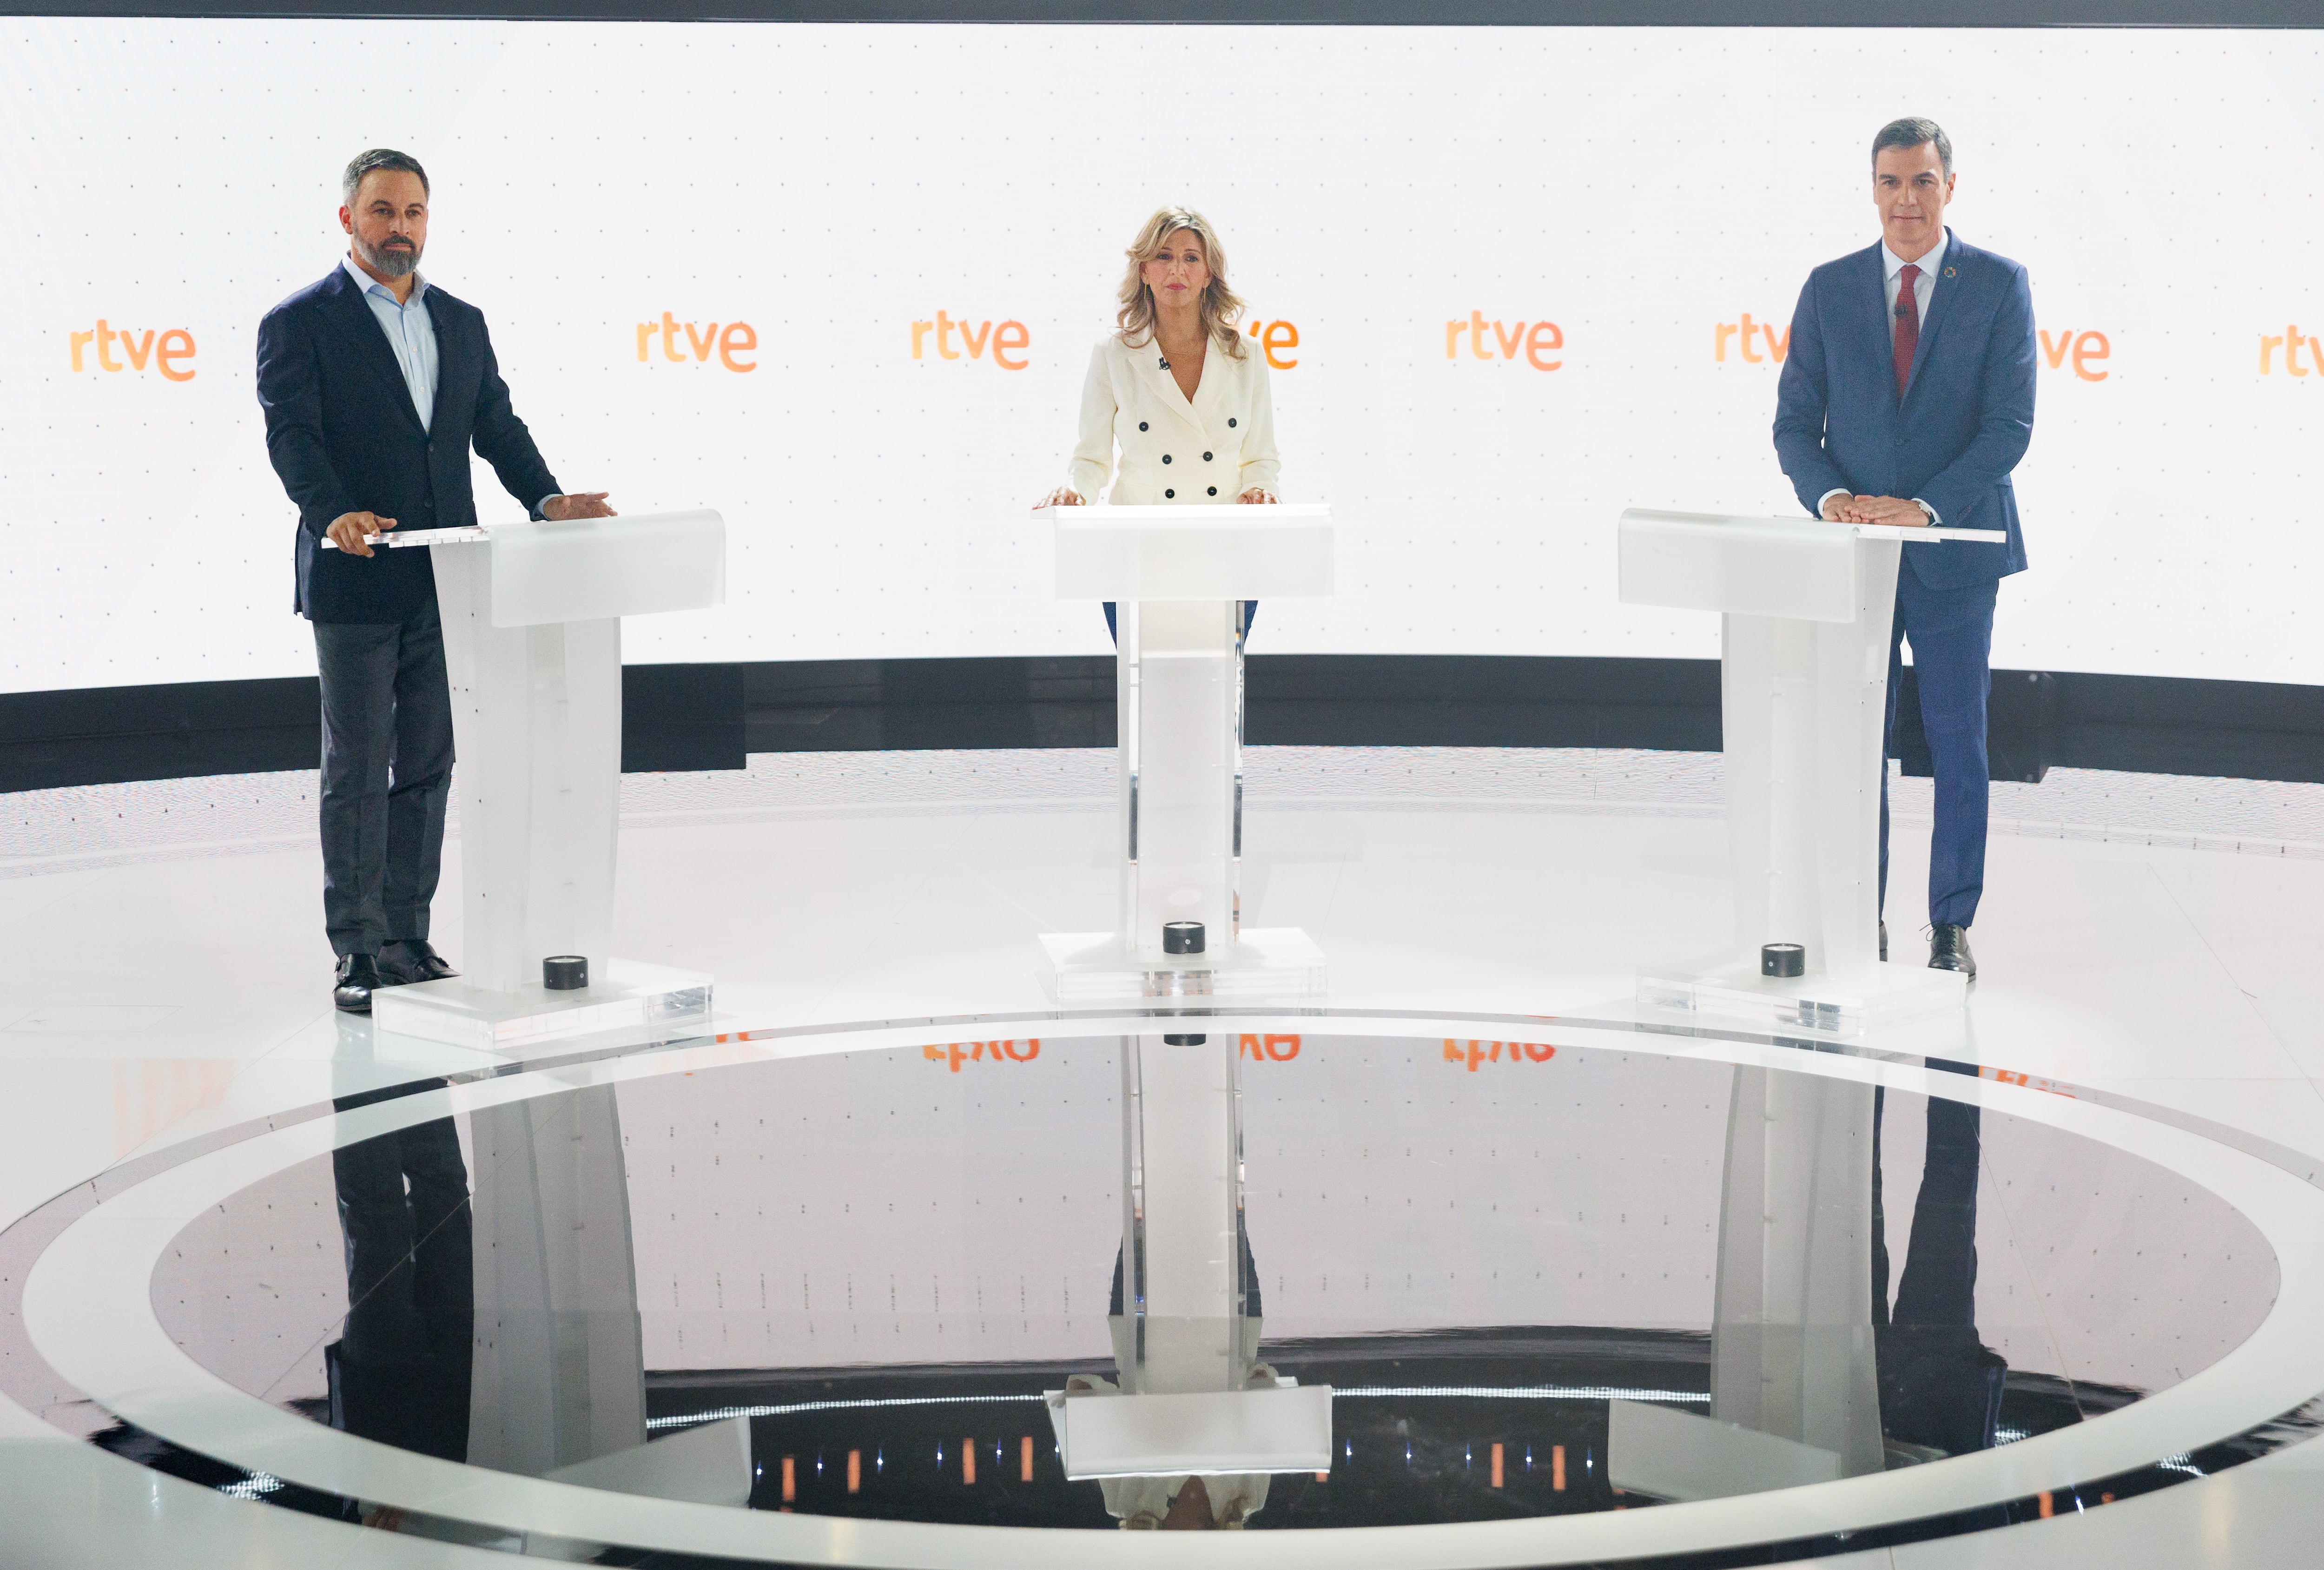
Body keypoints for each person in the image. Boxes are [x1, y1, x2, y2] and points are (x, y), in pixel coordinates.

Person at [257, 149, 615, 1012]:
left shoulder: (460, 320)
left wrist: (548, 496)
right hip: (356, 577)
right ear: (349, 219)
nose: (400, 229)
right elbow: (293, 436)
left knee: (427, 762)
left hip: (448, 580)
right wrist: (332, 511)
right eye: (383, 212)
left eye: (414, 213)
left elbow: (493, 420)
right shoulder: (299, 322)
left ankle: (408, 934)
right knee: (357, 765)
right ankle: (357, 949)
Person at [1773, 118, 2035, 980]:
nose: (1906, 200)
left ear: (1950, 186)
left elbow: (2008, 428)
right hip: (1853, 562)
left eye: (1922, 181)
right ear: (1873, 189)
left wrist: (1923, 508)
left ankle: (1950, 926)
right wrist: (1836, 500)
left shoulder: (1998, 286)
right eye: (1890, 182)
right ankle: (1861, 917)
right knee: (1858, 746)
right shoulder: (1829, 287)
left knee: (1959, 744)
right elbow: (1793, 426)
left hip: (1954, 554)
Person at [1037, 205, 1281, 645]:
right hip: (1136, 547)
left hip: (1224, 544)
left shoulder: (1246, 355)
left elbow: (1262, 456)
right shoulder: (1114, 354)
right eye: (1164, 256)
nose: (1178, 270)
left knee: (1217, 686)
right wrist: (1075, 491)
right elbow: (1091, 458)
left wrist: (1259, 490)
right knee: (1143, 687)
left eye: (1191, 258)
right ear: (1144, 270)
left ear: (1209, 275)